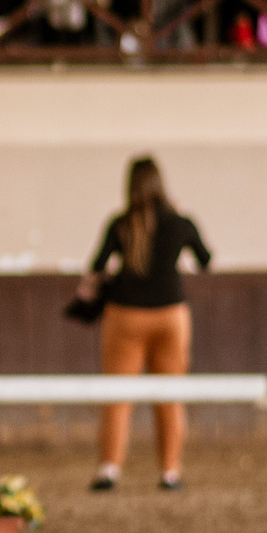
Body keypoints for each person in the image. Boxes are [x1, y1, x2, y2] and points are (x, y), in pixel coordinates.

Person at [79, 157, 212, 492]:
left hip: (125, 316)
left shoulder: (121, 224)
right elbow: (205, 260)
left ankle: (109, 468)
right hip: (171, 316)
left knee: (118, 395)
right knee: (170, 395)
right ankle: (170, 471)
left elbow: (96, 266)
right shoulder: (180, 222)